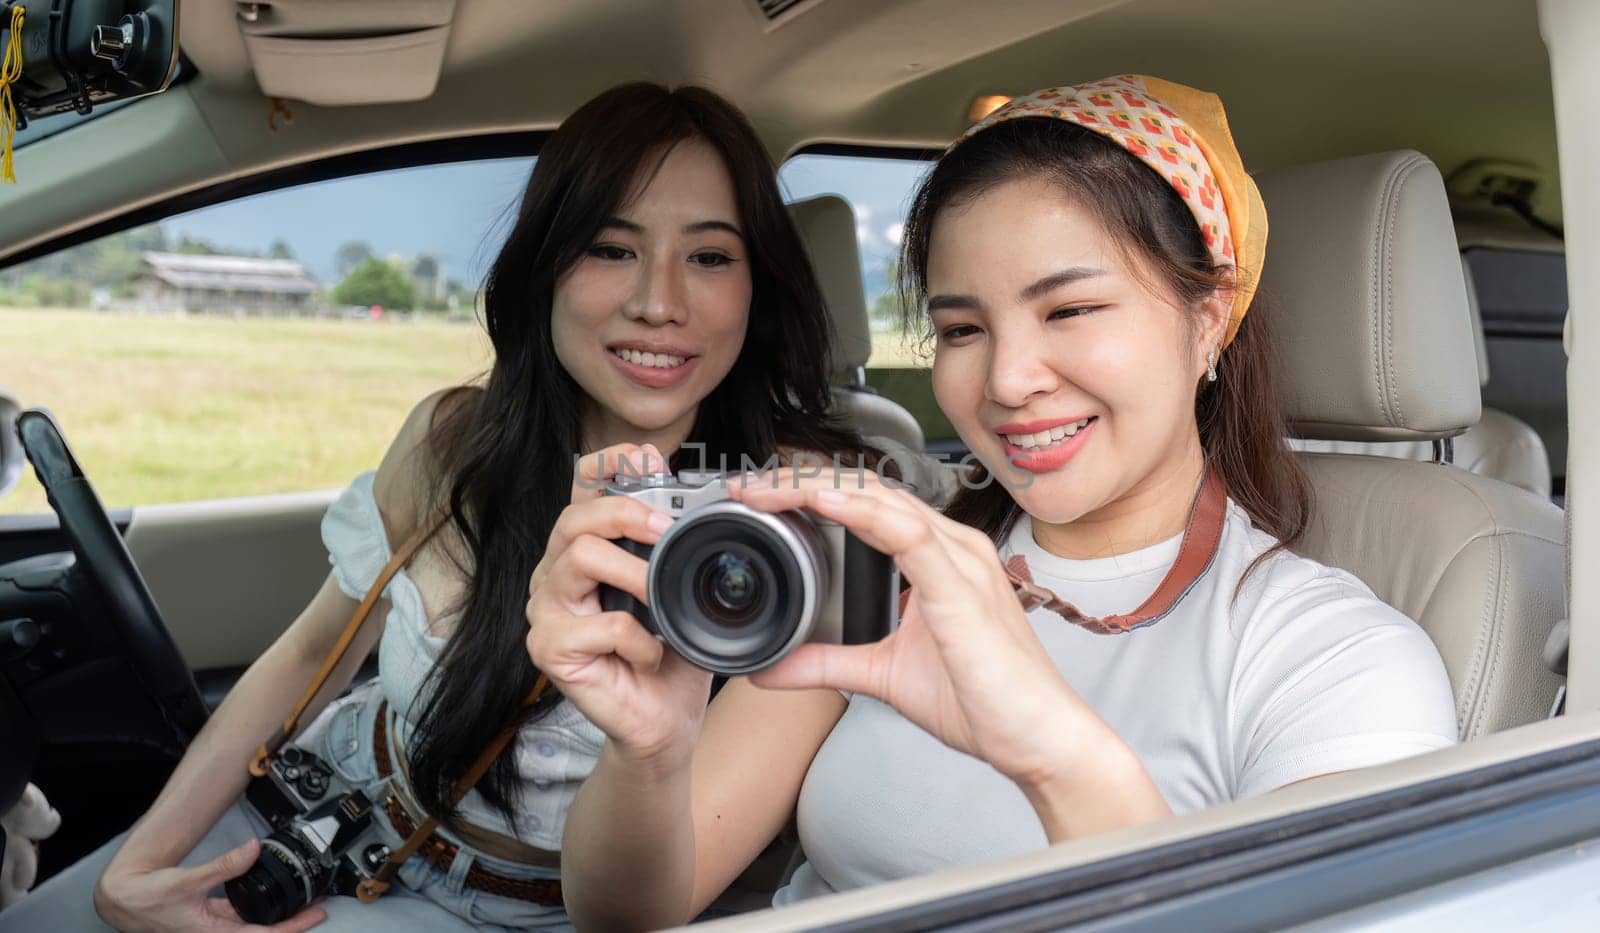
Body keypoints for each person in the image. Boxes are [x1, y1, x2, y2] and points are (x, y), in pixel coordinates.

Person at [528, 75, 1460, 931]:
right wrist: (648, 754)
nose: (1009, 381)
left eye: (1071, 310)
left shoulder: (1334, 658)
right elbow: (628, 915)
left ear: (1207, 319)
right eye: (963, 328)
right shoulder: (876, 569)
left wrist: (1049, 747)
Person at [0, 81, 874, 932]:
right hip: (324, 805)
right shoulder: (453, 438)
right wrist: (139, 866)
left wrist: (648, 743)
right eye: (612, 248)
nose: (658, 302)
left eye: (711, 256)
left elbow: (640, 911)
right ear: (545, 269)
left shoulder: (807, 530)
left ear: (759, 285)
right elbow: (314, 650)